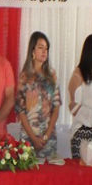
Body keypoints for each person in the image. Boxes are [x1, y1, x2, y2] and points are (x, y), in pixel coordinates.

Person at [15, 31, 61, 159]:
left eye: (46, 48)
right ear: (32, 51)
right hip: (28, 140)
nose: (44, 51)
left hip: (48, 140)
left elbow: (56, 107)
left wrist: (46, 136)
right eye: (41, 47)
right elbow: (20, 111)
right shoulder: (24, 77)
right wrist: (34, 138)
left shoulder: (52, 75)